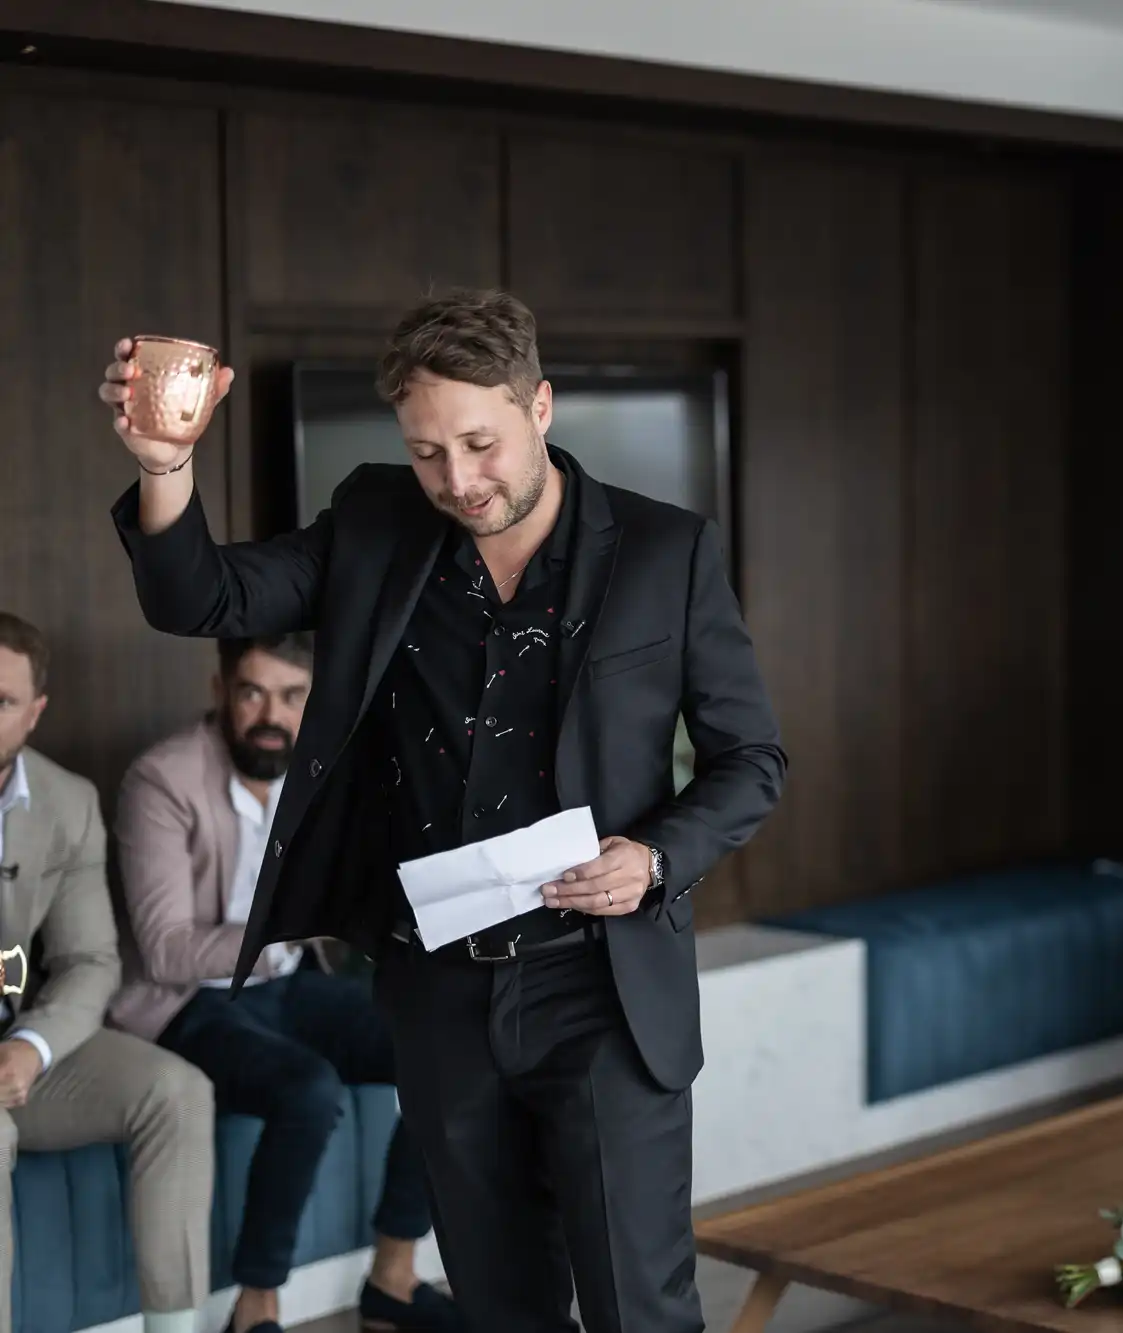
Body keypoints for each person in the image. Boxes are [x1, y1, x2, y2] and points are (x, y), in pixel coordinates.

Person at [100, 288, 787, 1333]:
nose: (457, 481)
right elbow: (205, 600)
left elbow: (752, 761)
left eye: (480, 443)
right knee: (501, 1312)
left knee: (638, 1309)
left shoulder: (667, 552)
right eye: (428, 452)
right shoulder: (379, 519)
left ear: (540, 407)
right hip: (437, 990)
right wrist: (163, 466)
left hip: (601, 984)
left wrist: (654, 855)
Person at [109, 633, 455, 1333]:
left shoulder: (323, 773)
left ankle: (392, 1278)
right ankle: (256, 1304)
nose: (272, 713)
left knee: (445, 1052)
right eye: (252, 692)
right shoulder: (161, 780)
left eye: (293, 696)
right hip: (186, 1002)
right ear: (220, 692)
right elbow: (165, 949)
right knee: (309, 1088)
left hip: (291, 981)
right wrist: (298, 926)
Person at [0, 611, 216, 1333]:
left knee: (176, 1091)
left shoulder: (66, 802)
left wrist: (32, 1047)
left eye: (1, 701)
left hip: (15, 1048)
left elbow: (90, 960)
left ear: (34, 713)